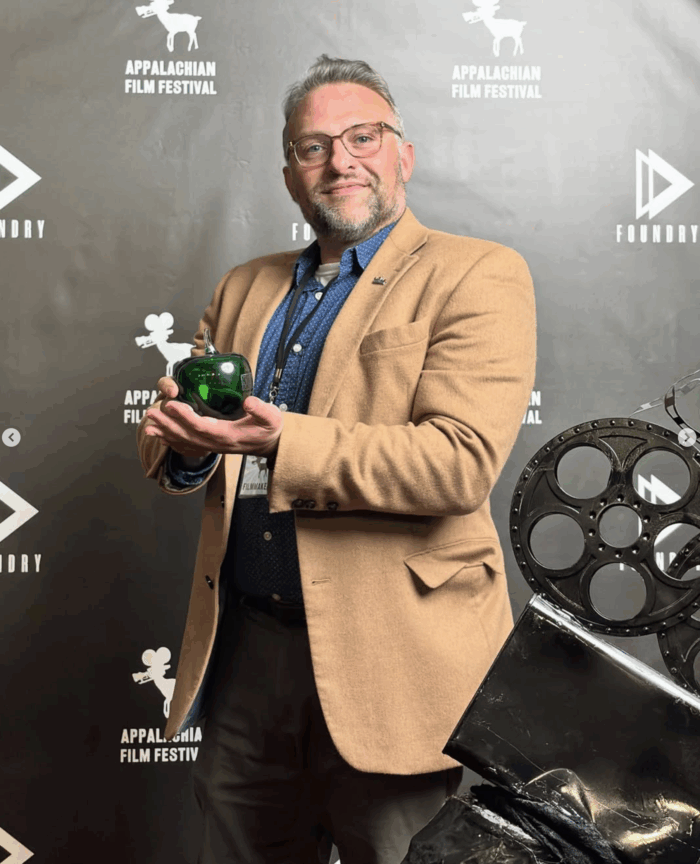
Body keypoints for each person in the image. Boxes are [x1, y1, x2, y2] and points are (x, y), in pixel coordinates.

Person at [137, 54, 536, 864]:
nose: (339, 160)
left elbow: (457, 468)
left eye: (363, 136)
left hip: (395, 658)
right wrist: (182, 450)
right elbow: (196, 440)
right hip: (249, 656)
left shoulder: (478, 273)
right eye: (313, 146)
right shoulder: (244, 286)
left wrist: (283, 440)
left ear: (403, 154)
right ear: (290, 174)